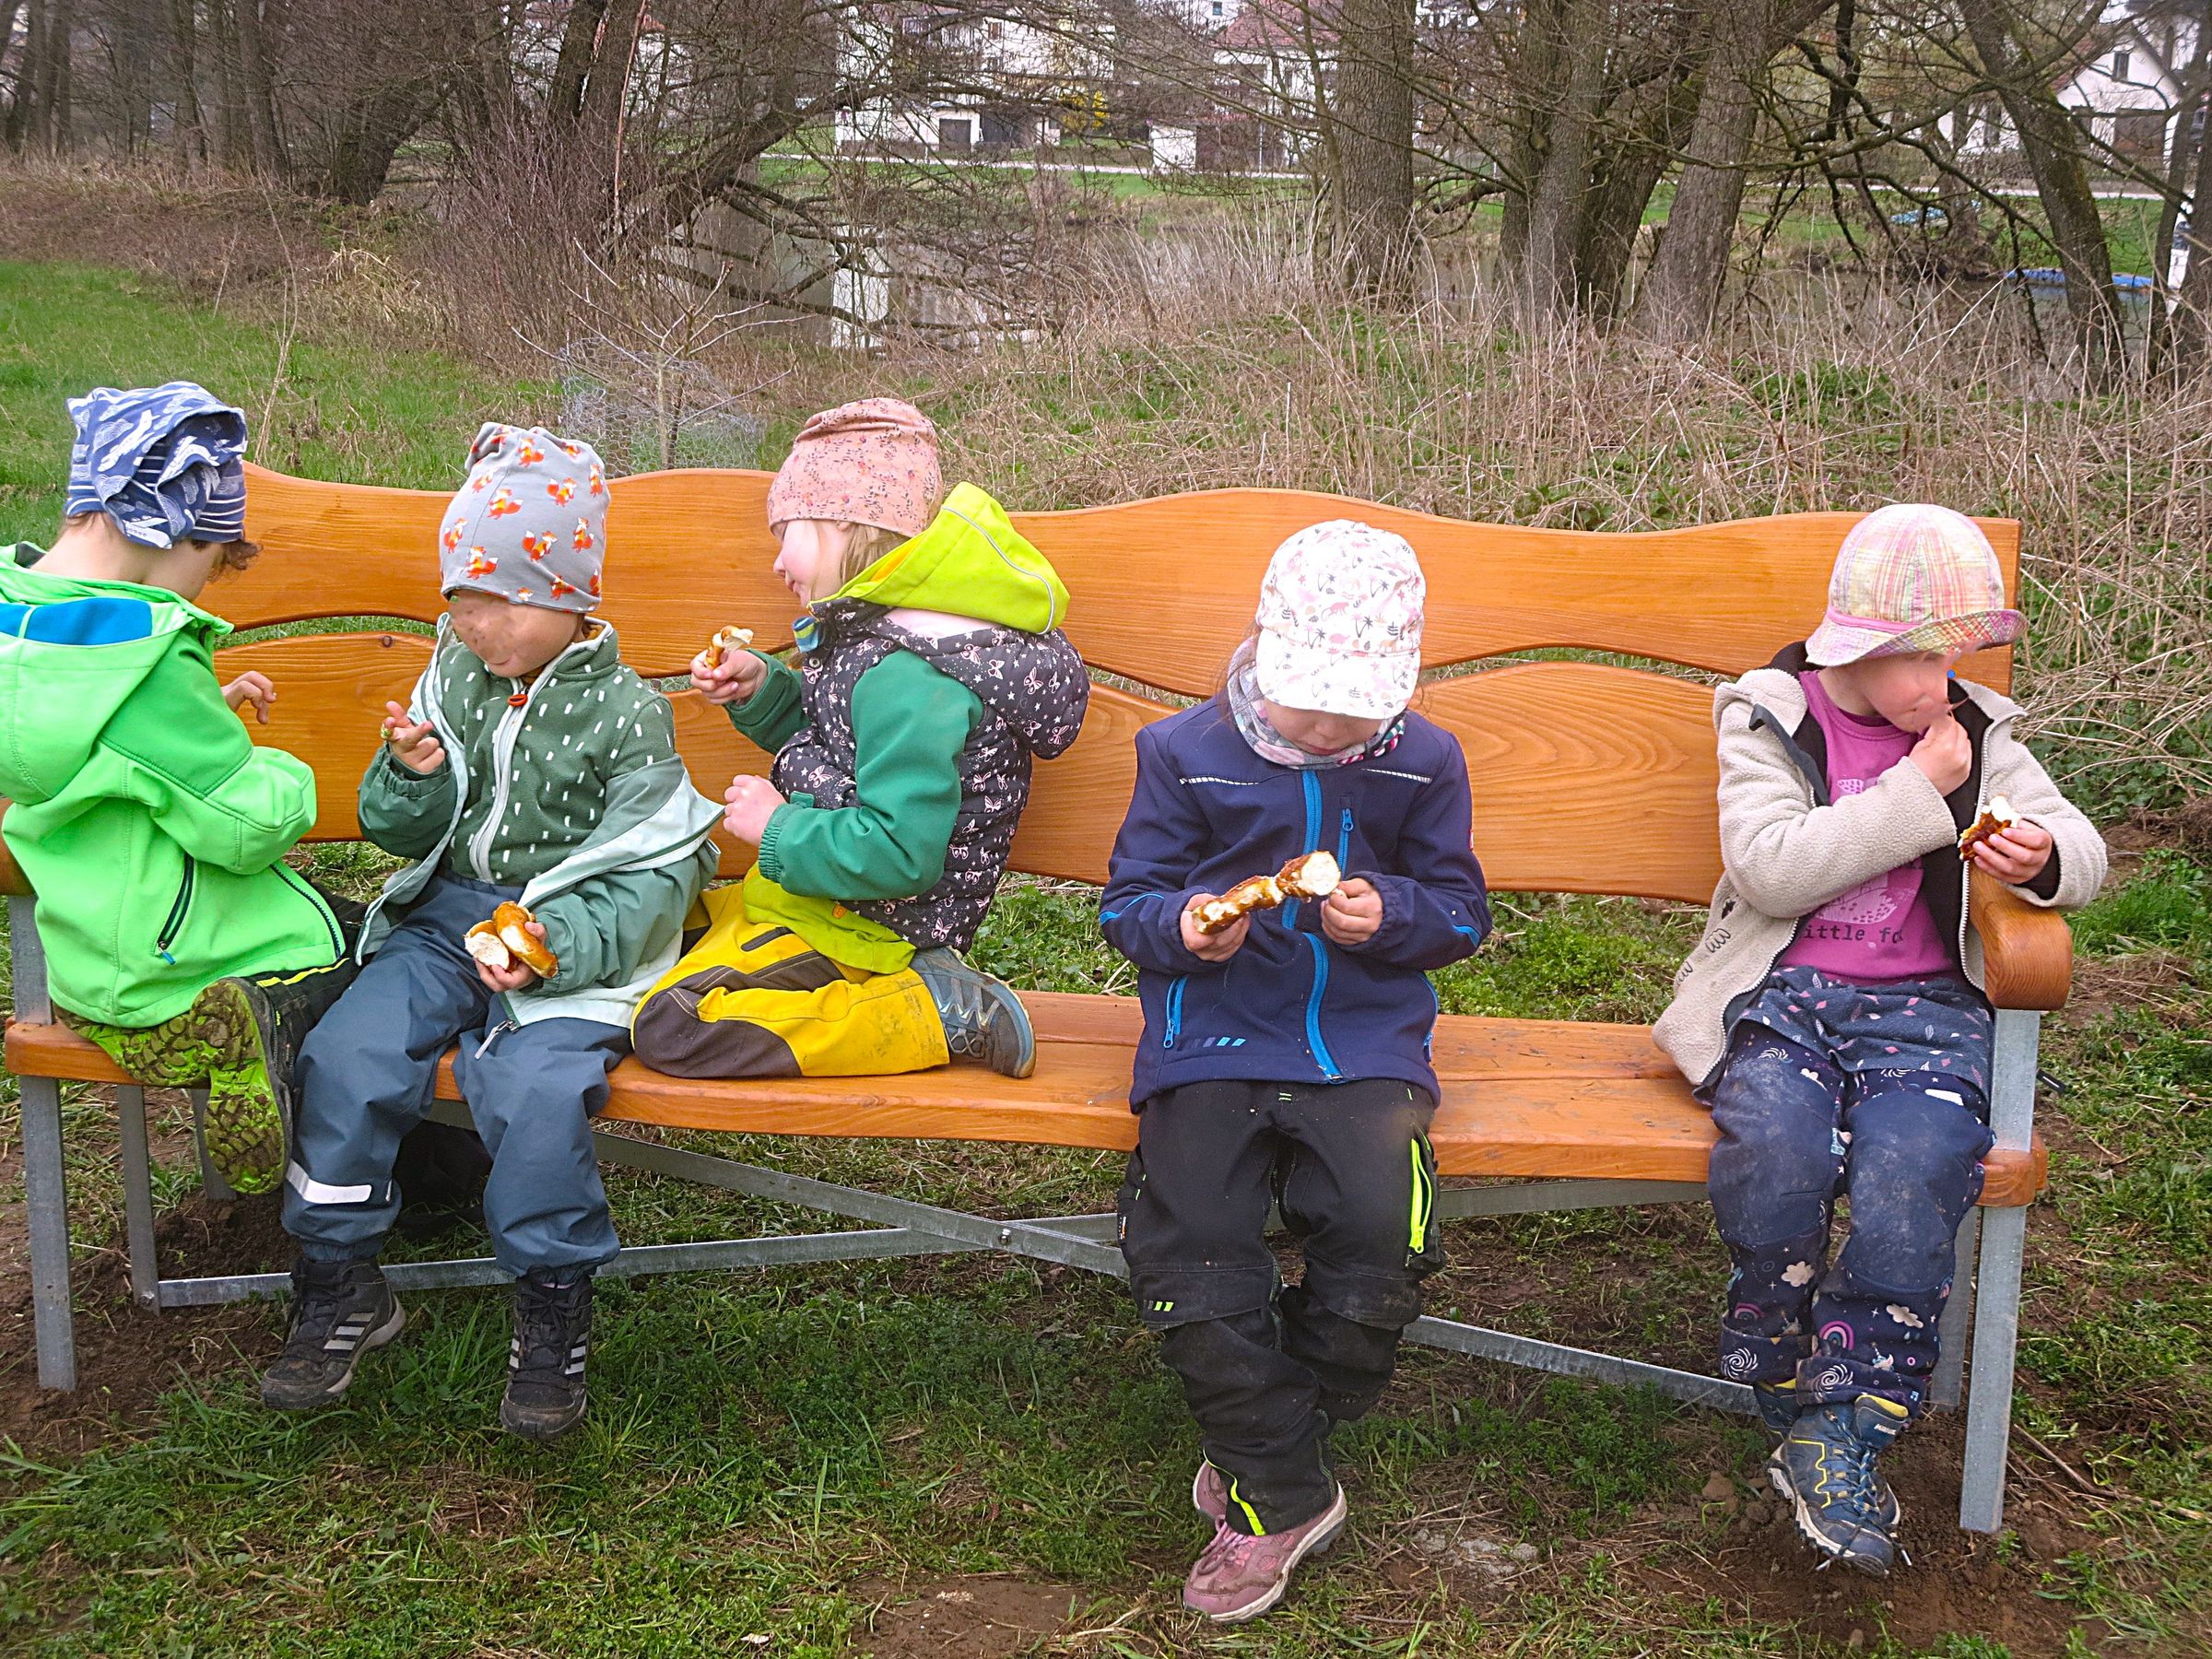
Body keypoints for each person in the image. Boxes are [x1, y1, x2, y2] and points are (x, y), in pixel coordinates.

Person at [1653, 503, 2107, 1575]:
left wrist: (2041, 857)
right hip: (1788, 1001)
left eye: (1954, 658)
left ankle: (1848, 1414)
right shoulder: (1772, 719)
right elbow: (1771, 870)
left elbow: (2082, 847)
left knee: (1920, 1160)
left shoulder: (1977, 734)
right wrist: (1918, 793)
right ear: (1854, 646)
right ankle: (1775, 1345)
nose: (1940, 685)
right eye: (1919, 660)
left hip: (1925, 1015)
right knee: (1776, 1143)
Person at [259, 423, 721, 1440]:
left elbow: (654, 870)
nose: (470, 620)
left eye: (499, 599)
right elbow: (399, 831)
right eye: (459, 596)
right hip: (448, 920)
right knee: (348, 1050)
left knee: (539, 1087)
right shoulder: (454, 677)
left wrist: (555, 944)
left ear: (570, 597)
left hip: (576, 943)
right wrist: (411, 777)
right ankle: (339, 1277)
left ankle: (552, 1306)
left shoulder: (628, 715)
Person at [1100, 521, 1490, 1623]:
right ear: (1264, 655)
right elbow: (1129, 905)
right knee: (1187, 1234)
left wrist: (1393, 916)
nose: (1321, 729)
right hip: (1210, 1039)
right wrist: (1185, 928)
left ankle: (1273, 1440)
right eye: (1304, 700)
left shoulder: (1423, 761)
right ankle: (1280, 1489)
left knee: (1380, 1225)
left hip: (1361, 1048)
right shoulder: (1183, 750)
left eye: (1349, 709)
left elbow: (1463, 912)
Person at [631, 399, 1088, 1081]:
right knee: (654, 918)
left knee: (675, 1023)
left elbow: (902, 853)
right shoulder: (876, 635)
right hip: (825, 894)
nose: (777, 562)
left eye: (787, 533)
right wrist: (761, 689)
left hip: (872, 926)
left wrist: (779, 829)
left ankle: (935, 1011)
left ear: (842, 521)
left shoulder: (911, 676)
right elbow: (843, 744)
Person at [0, 382, 356, 1194]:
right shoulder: (150, 664)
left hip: (85, 965)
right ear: (175, 530)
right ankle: (243, 1049)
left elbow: (112, 758)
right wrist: (282, 770)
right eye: (214, 562)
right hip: (183, 965)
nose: (204, 585)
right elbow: (243, 827)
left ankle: (179, 1032)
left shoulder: (20, 626)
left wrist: (202, 717)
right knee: (358, 951)